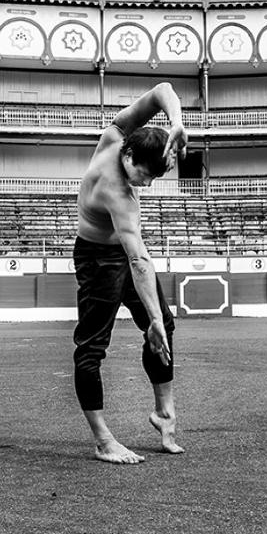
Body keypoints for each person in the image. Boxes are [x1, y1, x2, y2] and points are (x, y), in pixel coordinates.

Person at [73, 82, 188, 464]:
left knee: (164, 327)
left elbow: (162, 90)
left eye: (155, 179)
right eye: (145, 175)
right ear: (130, 156)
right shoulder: (117, 193)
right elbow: (138, 260)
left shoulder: (117, 133)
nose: (147, 184)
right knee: (91, 349)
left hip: (122, 255)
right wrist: (150, 318)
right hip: (99, 260)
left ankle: (164, 412)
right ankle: (103, 440)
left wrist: (176, 123)